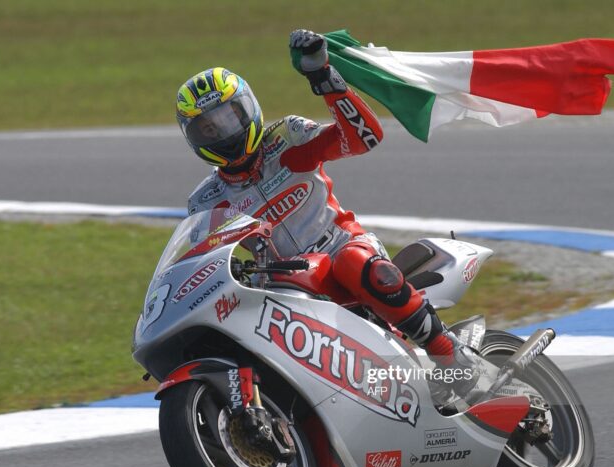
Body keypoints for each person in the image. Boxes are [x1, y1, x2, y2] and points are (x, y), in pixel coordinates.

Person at [176, 29, 477, 395]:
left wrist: (324, 79)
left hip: (342, 251)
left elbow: (364, 138)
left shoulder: (287, 137)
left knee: (353, 262)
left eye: (228, 118)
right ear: (193, 138)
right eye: (207, 129)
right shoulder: (205, 200)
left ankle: (450, 353)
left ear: (249, 109)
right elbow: (196, 266)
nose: (222, 133)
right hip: (282, 286)